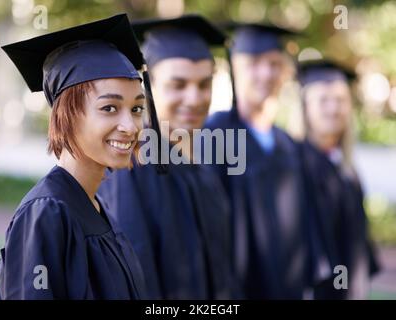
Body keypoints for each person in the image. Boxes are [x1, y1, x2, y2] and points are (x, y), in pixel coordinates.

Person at [0, 14, 161, 299]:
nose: (130, 127)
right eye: (109, 108)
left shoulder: (95, 204)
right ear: (66, 115)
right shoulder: (47, 212)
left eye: (136, 109)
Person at [98, 14, 236, 299]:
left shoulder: (204, 166)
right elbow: (137, 278)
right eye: (178, 85)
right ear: (147, 88)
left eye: (203, 84)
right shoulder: (132, 166)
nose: (195, 98)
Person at [205, 22, 309, 299]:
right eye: (253, 63)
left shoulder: (287, 144)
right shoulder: (215, 135)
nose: (266, 73)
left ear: (285, 72)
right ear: (234, 69)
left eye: (274, 64)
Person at [296, 60, 380, 299]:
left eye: (341, 100)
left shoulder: (347, 169)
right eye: (323, 100)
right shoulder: (295, 164)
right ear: (305, 107)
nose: (333, 109)